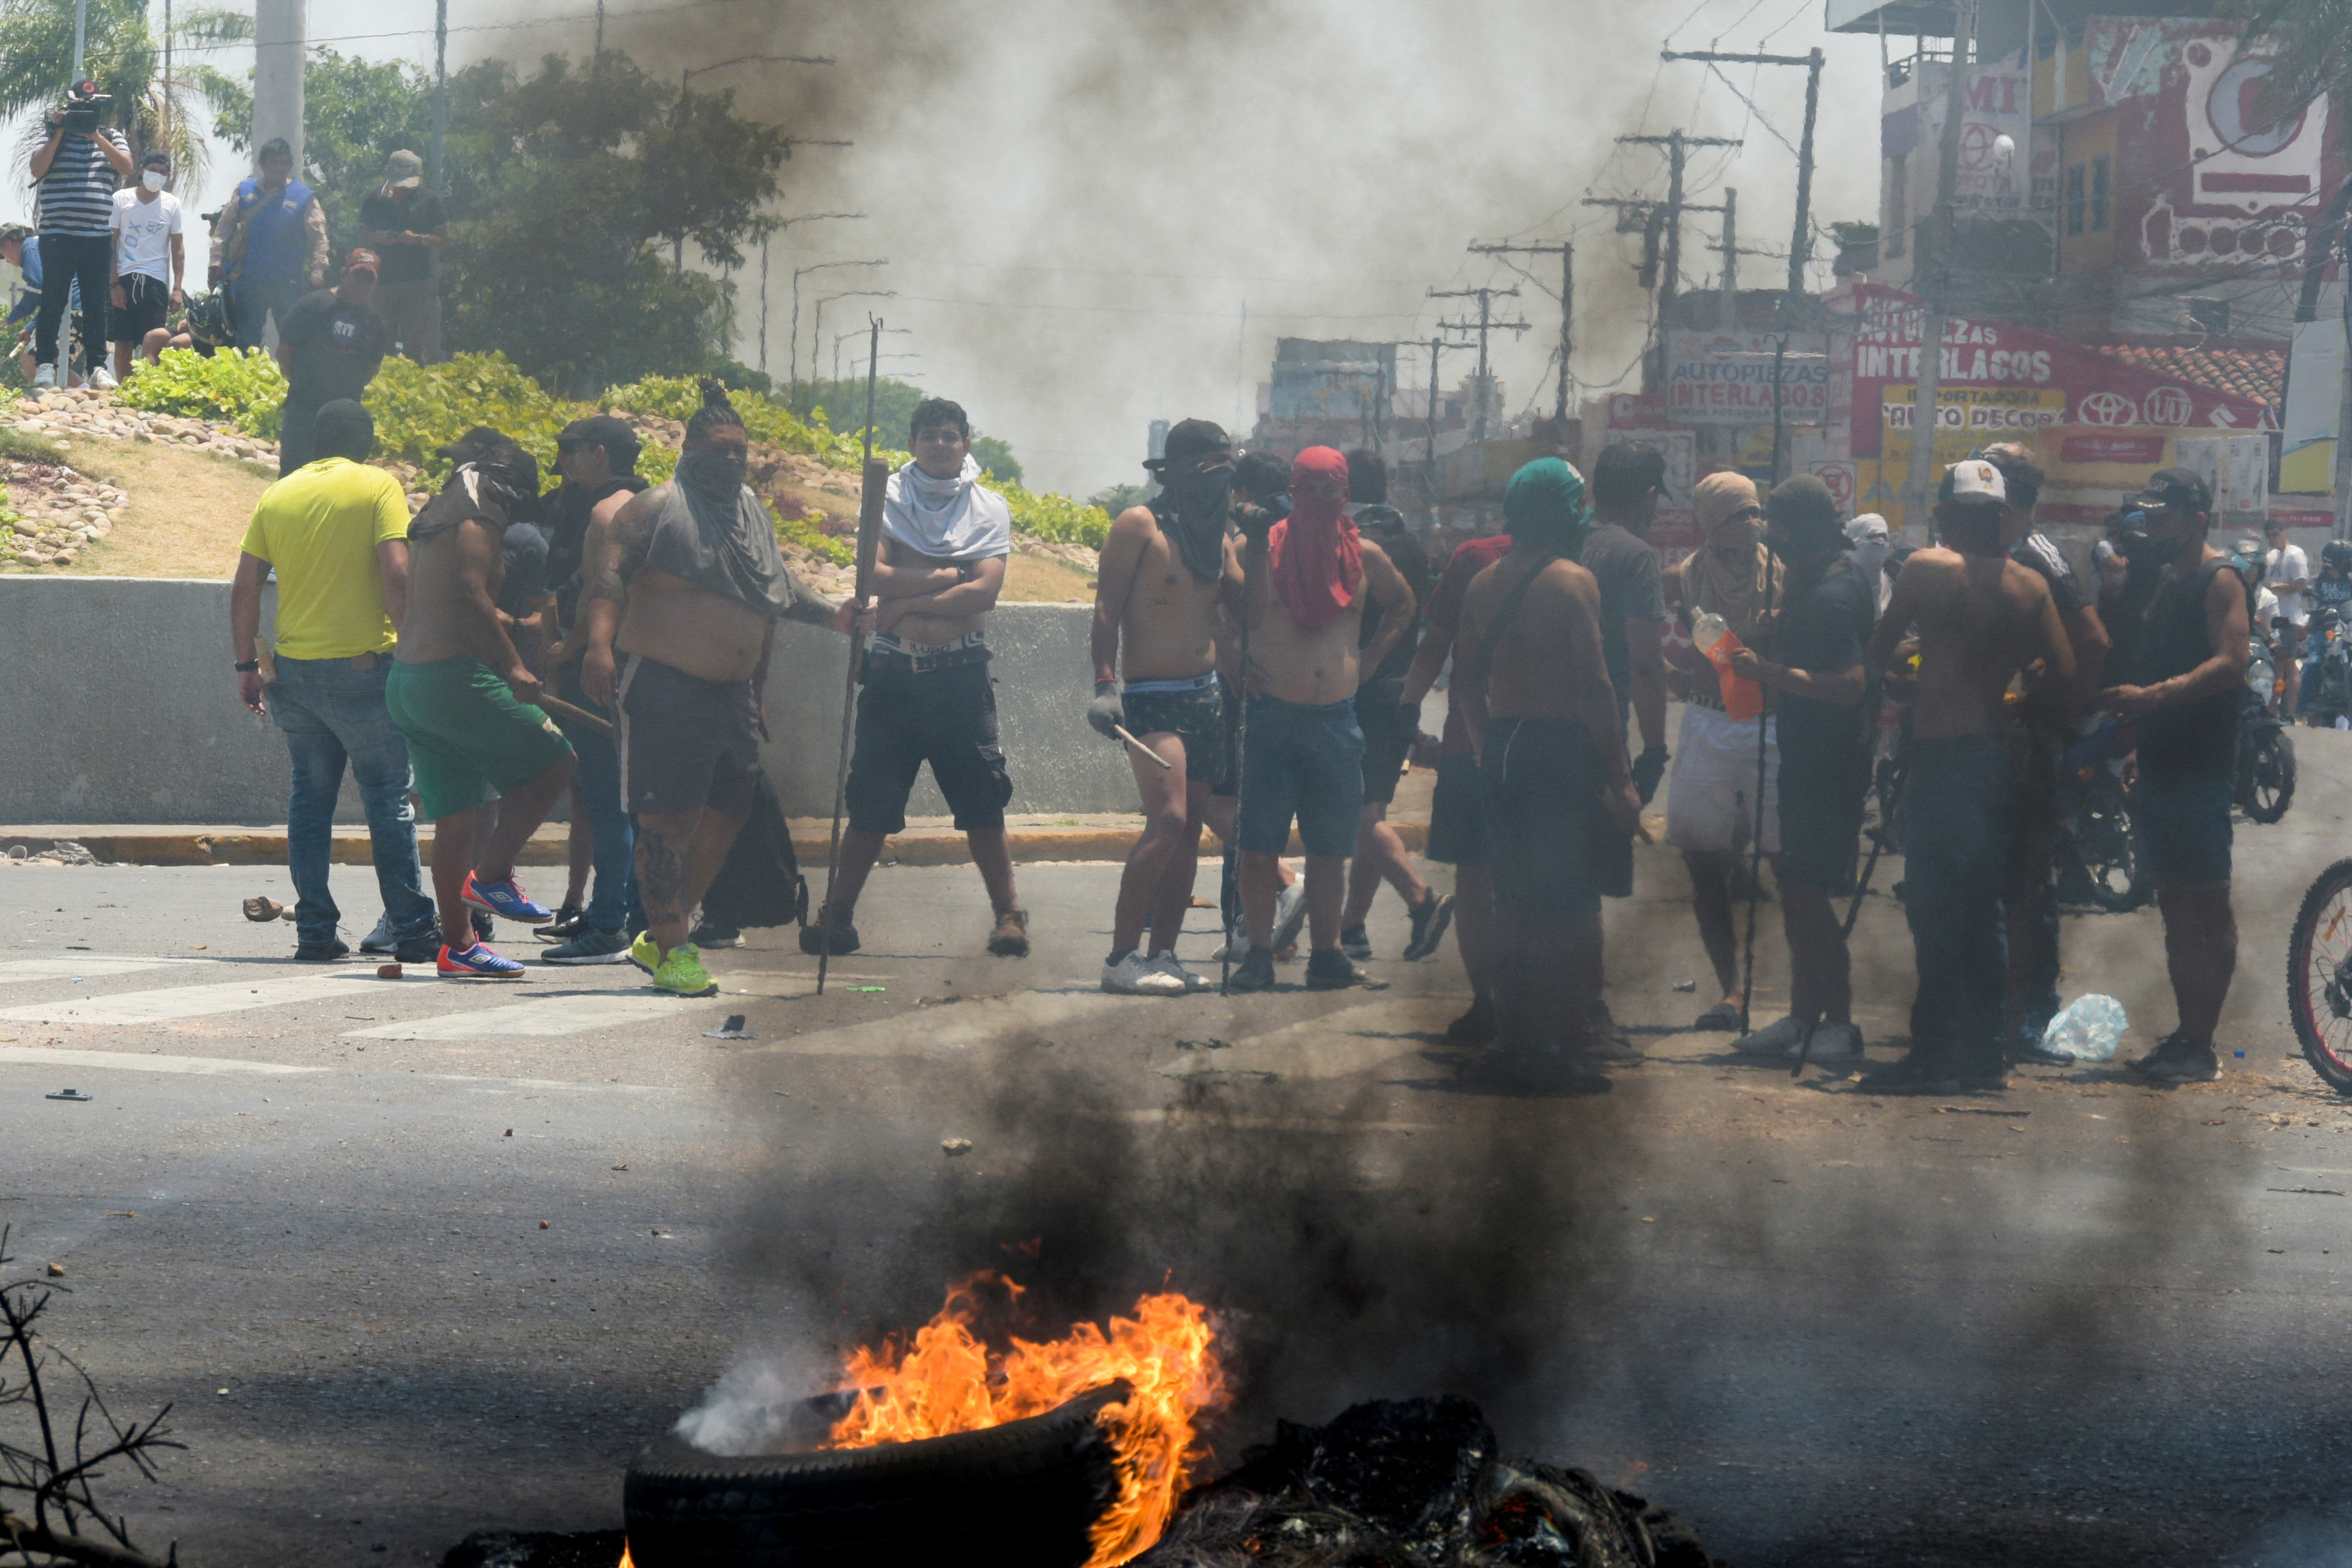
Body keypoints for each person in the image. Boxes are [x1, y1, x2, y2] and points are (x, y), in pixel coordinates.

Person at [581, 381, 829, 994]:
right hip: (666, 685)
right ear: (689, 447)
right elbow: (609, 578)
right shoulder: (655, 508)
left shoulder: (750, 514)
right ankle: (674, 952)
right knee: (667, 821)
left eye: (740, 452)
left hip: (733, 695)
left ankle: (665, 931)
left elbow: (777, 591)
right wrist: (597, 647)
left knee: (729, 813)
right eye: (719, 449)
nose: (731, 461)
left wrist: (839, 616)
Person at [1865, 459, 2073, 1092]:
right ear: (2002, 518)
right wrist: (2016, 697)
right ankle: (1984, 1054)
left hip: (1941, 755)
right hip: (1994, 756)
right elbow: (2063, 673)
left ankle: (1932, 1051)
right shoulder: (2030, 588)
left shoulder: (1928, 568)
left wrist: (1910, 676)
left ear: (1948, 518)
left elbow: (1881, 656)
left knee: (1932, 906)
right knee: (1982, 910)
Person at [805, 397, 1029, 961]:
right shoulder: (887, 502)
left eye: (951, 435)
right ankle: (838, 914)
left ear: (966, 444)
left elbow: (985, 592)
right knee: (871, 804)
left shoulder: (989, 508)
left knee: (983, 802)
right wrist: (948, 576)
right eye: (929, 435)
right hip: (894, 675)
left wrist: (901, 606)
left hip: (962, 673)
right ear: (913, 443)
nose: (940, 444)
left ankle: (1009, 916)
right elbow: (874, 574)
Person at [228, 399, 438, 963]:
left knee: (310, 799)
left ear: (316, 442)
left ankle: (316, 932)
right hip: (363, 670)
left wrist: (246, 665)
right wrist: (416, 647)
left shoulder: (279, 494)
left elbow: (246, 585)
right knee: (388, 797)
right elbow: (397, 572)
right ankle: (414, 929)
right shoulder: (377, 486)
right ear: (366, 443)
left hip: (291, 675)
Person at [1451, 458, 1640, 1085]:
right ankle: (1567, 1042)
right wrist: (1620, 778)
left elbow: (1467, 684)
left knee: (1516, 902)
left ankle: (1516, 1041)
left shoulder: (1483, 584)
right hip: (1561, 751)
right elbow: (1595, 684)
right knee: (1571, 906)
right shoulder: (1573, 581)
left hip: (1504, 747)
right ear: (1566, 511)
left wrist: (1486, 750)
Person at [385, 433, 577, 979]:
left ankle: (459, 947)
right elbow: (472, 594)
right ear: (509, 483)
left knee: (457, 820)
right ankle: (492, 877)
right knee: (557, 762)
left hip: (409, 681)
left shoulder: (439, 515)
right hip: (453, 679)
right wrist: (515, 665)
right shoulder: (480, 509)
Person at [1226, 446, 1415, 992]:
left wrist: (1373, 658)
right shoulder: (1257, 545)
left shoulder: (1368, 556)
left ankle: (1327, 956)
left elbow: (1404, 605)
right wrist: (1232, 657)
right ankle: (1259, 953)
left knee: (1331, 848)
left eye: (1330, 491)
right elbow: (1223, 607)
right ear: (1292, 491)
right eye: (1307, 490)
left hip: (1336, 721)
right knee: (1259, 847)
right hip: (1270, 719)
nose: (1319, 501)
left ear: (1346, 495)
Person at [2101, 468, 2249, 1085]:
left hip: (2200, 768)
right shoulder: (2166, 581)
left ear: (2197, 520)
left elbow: (2230, 663)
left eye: (2165, 517)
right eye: (2150, 516)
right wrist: (2140, 744)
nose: (2153, 526)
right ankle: (2187, 1036)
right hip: (2162, 762)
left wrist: (2156, 698)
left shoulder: (2221, 580)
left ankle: (2202, 1045)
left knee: (2206, 907)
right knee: (2174, 906)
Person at [1087, 417, 1242, 994]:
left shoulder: (1217, 540)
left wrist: (1265, 528)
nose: (1220, 482)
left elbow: (1246, 601)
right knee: (1169, 819)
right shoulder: (1139, 525)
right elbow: (1106, 607)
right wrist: (1105, 683)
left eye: (1227, 471)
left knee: (1192, 830)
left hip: (1206, 697)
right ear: (1179, 473)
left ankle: (1166, 955)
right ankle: (1122, 957)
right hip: (1152, 697)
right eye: (1211, 470)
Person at [1724, 476, 1873, 1063]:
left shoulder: (1836, 591)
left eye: (1783, 538)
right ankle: (1800, 1015)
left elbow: (1849, 686)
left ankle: (1837, 1022)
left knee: (1808, 892)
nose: (1777, 549)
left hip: (1831, 760)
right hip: (1803, 752)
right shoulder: (1812, 579)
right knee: (1793, 886)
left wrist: (1770, 673)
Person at [1975, 443, 2111, 1066]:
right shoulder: (1985, 549)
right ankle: (1997, 1009)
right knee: (1998, 882)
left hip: (2028, 748)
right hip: (1982, 744)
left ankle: (2031, 1016)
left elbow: (2093, 642)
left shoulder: (2037, 555)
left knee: (2029, 886)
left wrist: (2055, 717)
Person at [1662, 472, 1782, 1031]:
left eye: (1755, 512)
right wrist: (1667, 672)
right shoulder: (1681, 580)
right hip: (1709, 723)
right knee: (1705, 862)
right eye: (1739, 513)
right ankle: (1731, 990)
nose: (1751, 523)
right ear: (1712, 521)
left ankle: (1797, 992)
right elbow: (1640, 632)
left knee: (1788, 861)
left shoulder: (1784, 575)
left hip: (1772, 726)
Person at [535, 415, 651, 963]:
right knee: (638, 803)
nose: (564, 461)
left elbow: (601, 593)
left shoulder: (607, 513)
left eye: (571, 450)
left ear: (599, 454)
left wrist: (574, 646)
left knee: (608, 800)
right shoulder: (654, 506)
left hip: (606, 667)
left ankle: (608, 924)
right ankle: (640, 918)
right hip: (650, 666)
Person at [1336, 448, 1451, 963]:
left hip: (1359, 691)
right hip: (1400, 693)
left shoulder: (1357, 545)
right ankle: (1353, 926)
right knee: (1373, 810)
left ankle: (1420, 899)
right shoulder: (1410, 544)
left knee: (1357, 814)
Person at [1401, 525, 1512, 1044]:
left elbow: (1434, 650)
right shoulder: (1574, 561)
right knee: (1536, 881)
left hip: (1469, 746)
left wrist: (1403, 717)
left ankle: (1488, 1001)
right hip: (1547, 747)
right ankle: (1530, 1000)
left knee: (1474, 879)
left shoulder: (1473, 558)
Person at [1204, 449, 1304, 960]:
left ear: (1242, 494)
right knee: (1259, 808)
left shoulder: (1245, 543)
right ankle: (1259, 926)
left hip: (1247, 685)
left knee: (1219, 800)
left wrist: (1229, 662)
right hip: (1301, 690)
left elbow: (1228, 610)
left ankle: (1279, 889)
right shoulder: (1313, 537)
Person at [1579, 443, 1673, 794]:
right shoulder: (1637, 556)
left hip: (1534, 727)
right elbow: (1644, 666)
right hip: (1600, 735)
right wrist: (1654, 752)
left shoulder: (1563, 540)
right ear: (1650, 497)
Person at [28, 86, 132, 390]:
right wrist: (60, 131)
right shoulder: (52, 134)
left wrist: (95, 136)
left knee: (96, 304)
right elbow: (37, 167)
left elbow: (126, 166)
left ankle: (97, 367)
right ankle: (45, 364)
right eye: (81, 108)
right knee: (53, 300)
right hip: (57, 233)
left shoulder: (111, 136)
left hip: (97, 236)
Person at [274, 251, 389, 478]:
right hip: (304, 408)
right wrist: (300, 383)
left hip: (344, 417)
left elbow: (371, 369)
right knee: (292, 475)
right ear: (344, 273)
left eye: (369, 279)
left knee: (333, 482)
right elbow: (285, 352)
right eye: (358, 275)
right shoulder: (313, 305)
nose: (362, 283)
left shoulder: (375, 323)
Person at [214, 138, 328, 352]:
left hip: (287, 283)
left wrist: (317, 273)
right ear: (262, 164)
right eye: (273, 162)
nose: (279, 168)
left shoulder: (304, 197)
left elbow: (319, 237)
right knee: (246, 342)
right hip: (249, 282)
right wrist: (216, 263)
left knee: (292, 340)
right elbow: (224, 228)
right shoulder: (245, 190)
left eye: (284, 163)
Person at [356, 149, 448, 363]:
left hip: (418, 283)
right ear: (388, 172)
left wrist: (419, 239)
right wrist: (378, 238)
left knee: (414, 347)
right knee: (380, 344)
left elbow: (444, 241)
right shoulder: (374, 200)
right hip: (381, 282)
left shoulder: (430, 201)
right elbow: (360, 239)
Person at [107, 149, 184, 381]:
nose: (156, 176)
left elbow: (178, 248)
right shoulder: (121, 199)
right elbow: (111, 243)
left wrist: (178, 288)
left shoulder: (172, 204)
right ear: (142, 170)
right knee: (123, 343)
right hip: (124, 279)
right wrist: (113, 283)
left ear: (168, 176)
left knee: (152, 341)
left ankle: (146, 391)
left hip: (155, 283)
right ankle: (124, 390)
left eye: (162, 172)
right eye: (153, 170)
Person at [2300, 541, 2352, 717]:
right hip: (2324, 628)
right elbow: (2312, 602)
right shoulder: (2318, 582)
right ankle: (2299, 707)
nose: (2350, 562)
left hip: (2348, 628)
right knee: (2314, 661)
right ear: (2333, 560)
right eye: (2346, 558)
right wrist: (2318, 610)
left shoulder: (2351, 581)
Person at [2265, 518, 2311, 716]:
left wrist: (2276, 587)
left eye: (2275, 534)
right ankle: (2274, 708)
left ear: (2284, 532)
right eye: (2269, 536)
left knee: (2288, 665)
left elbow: (2301, 584)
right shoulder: (2272, 555)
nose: (2272, 539)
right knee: (2276, 666)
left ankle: (2290, 712)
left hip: (2289, 619)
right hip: (2273, 617)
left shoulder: (2295, 554)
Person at [1844, 512, 1894, 615]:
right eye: (1872, 539)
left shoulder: (1889, 585)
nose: (1879, 545)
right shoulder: (1838, 586)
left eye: (1883, 539)